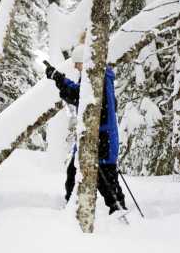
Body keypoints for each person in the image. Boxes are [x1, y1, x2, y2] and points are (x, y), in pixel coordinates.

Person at [45, 45, 127, 215]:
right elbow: (81, 93)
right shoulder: (98, 76)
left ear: (86, 62)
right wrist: (59, 78)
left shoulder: (100, 78)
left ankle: (119, 210)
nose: (75, 67)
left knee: (106, 178)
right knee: (74, 172)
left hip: (102, 136)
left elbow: (80, 98)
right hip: (94, 134)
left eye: (78, 63)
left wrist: (59, 80)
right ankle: (70, 208)